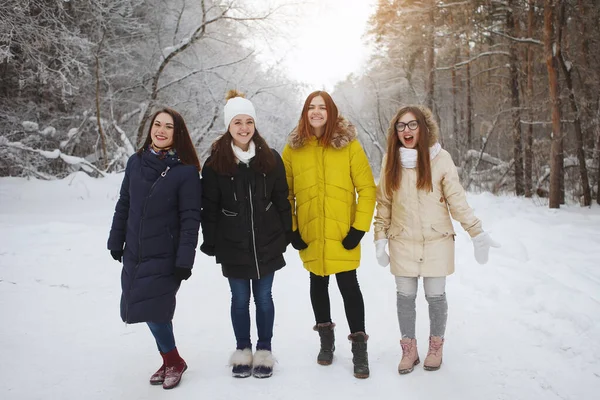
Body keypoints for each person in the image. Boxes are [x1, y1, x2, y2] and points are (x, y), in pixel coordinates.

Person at [373, 105, 500, 375]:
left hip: (437, 241)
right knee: (405, 297)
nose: (406, 130)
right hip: (403, 240)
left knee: (435, 297)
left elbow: (457, 201)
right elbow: (383, 204)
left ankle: (435, 348)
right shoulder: (390, 161)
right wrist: (380, 238)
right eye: (401, 126)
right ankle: (409, 349)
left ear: (423, 127)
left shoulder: (441, 159)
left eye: (412, 125)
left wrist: (476, 231)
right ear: (395, 132)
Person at [282, 91, 376, 379]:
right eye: (311, 107)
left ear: (331, 112)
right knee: (317, 284)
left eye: (322, 107)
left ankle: (360, 350)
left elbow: (368, 189)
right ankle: (326, 342)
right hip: (311, 234)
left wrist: (359, 229)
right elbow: (284, 194)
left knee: (349, 287)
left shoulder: (349, 146)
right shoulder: (293, 150)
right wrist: (292, 228)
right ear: (305, 113)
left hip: (342, 234)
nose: (317, 111)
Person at [107, 108, 202, 389]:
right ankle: (170, 359)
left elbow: (190, 219)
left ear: (177, 133)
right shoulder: (136, 162)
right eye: (157, 124)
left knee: (157, 309)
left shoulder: (185, 172)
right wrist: (116, 240)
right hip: (135, 251)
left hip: (166, 254)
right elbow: (124, 203)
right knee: (146, 307)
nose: (161, 130)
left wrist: (185, 258)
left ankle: (173, 361)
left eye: (168, 126)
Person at [200, 90, 292, 379]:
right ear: (228, 125)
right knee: (239, 300)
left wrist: (286, 233)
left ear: (255, 125)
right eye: (237, 122)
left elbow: (281, 199)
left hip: (267, 242)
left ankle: (264, 351)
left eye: (248, 122)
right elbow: (209, 207)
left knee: (264, 298)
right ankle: (243, 350)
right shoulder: (216, 162)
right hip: (233, 244)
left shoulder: (270, 158)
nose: (243, 128)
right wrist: (211, 239)